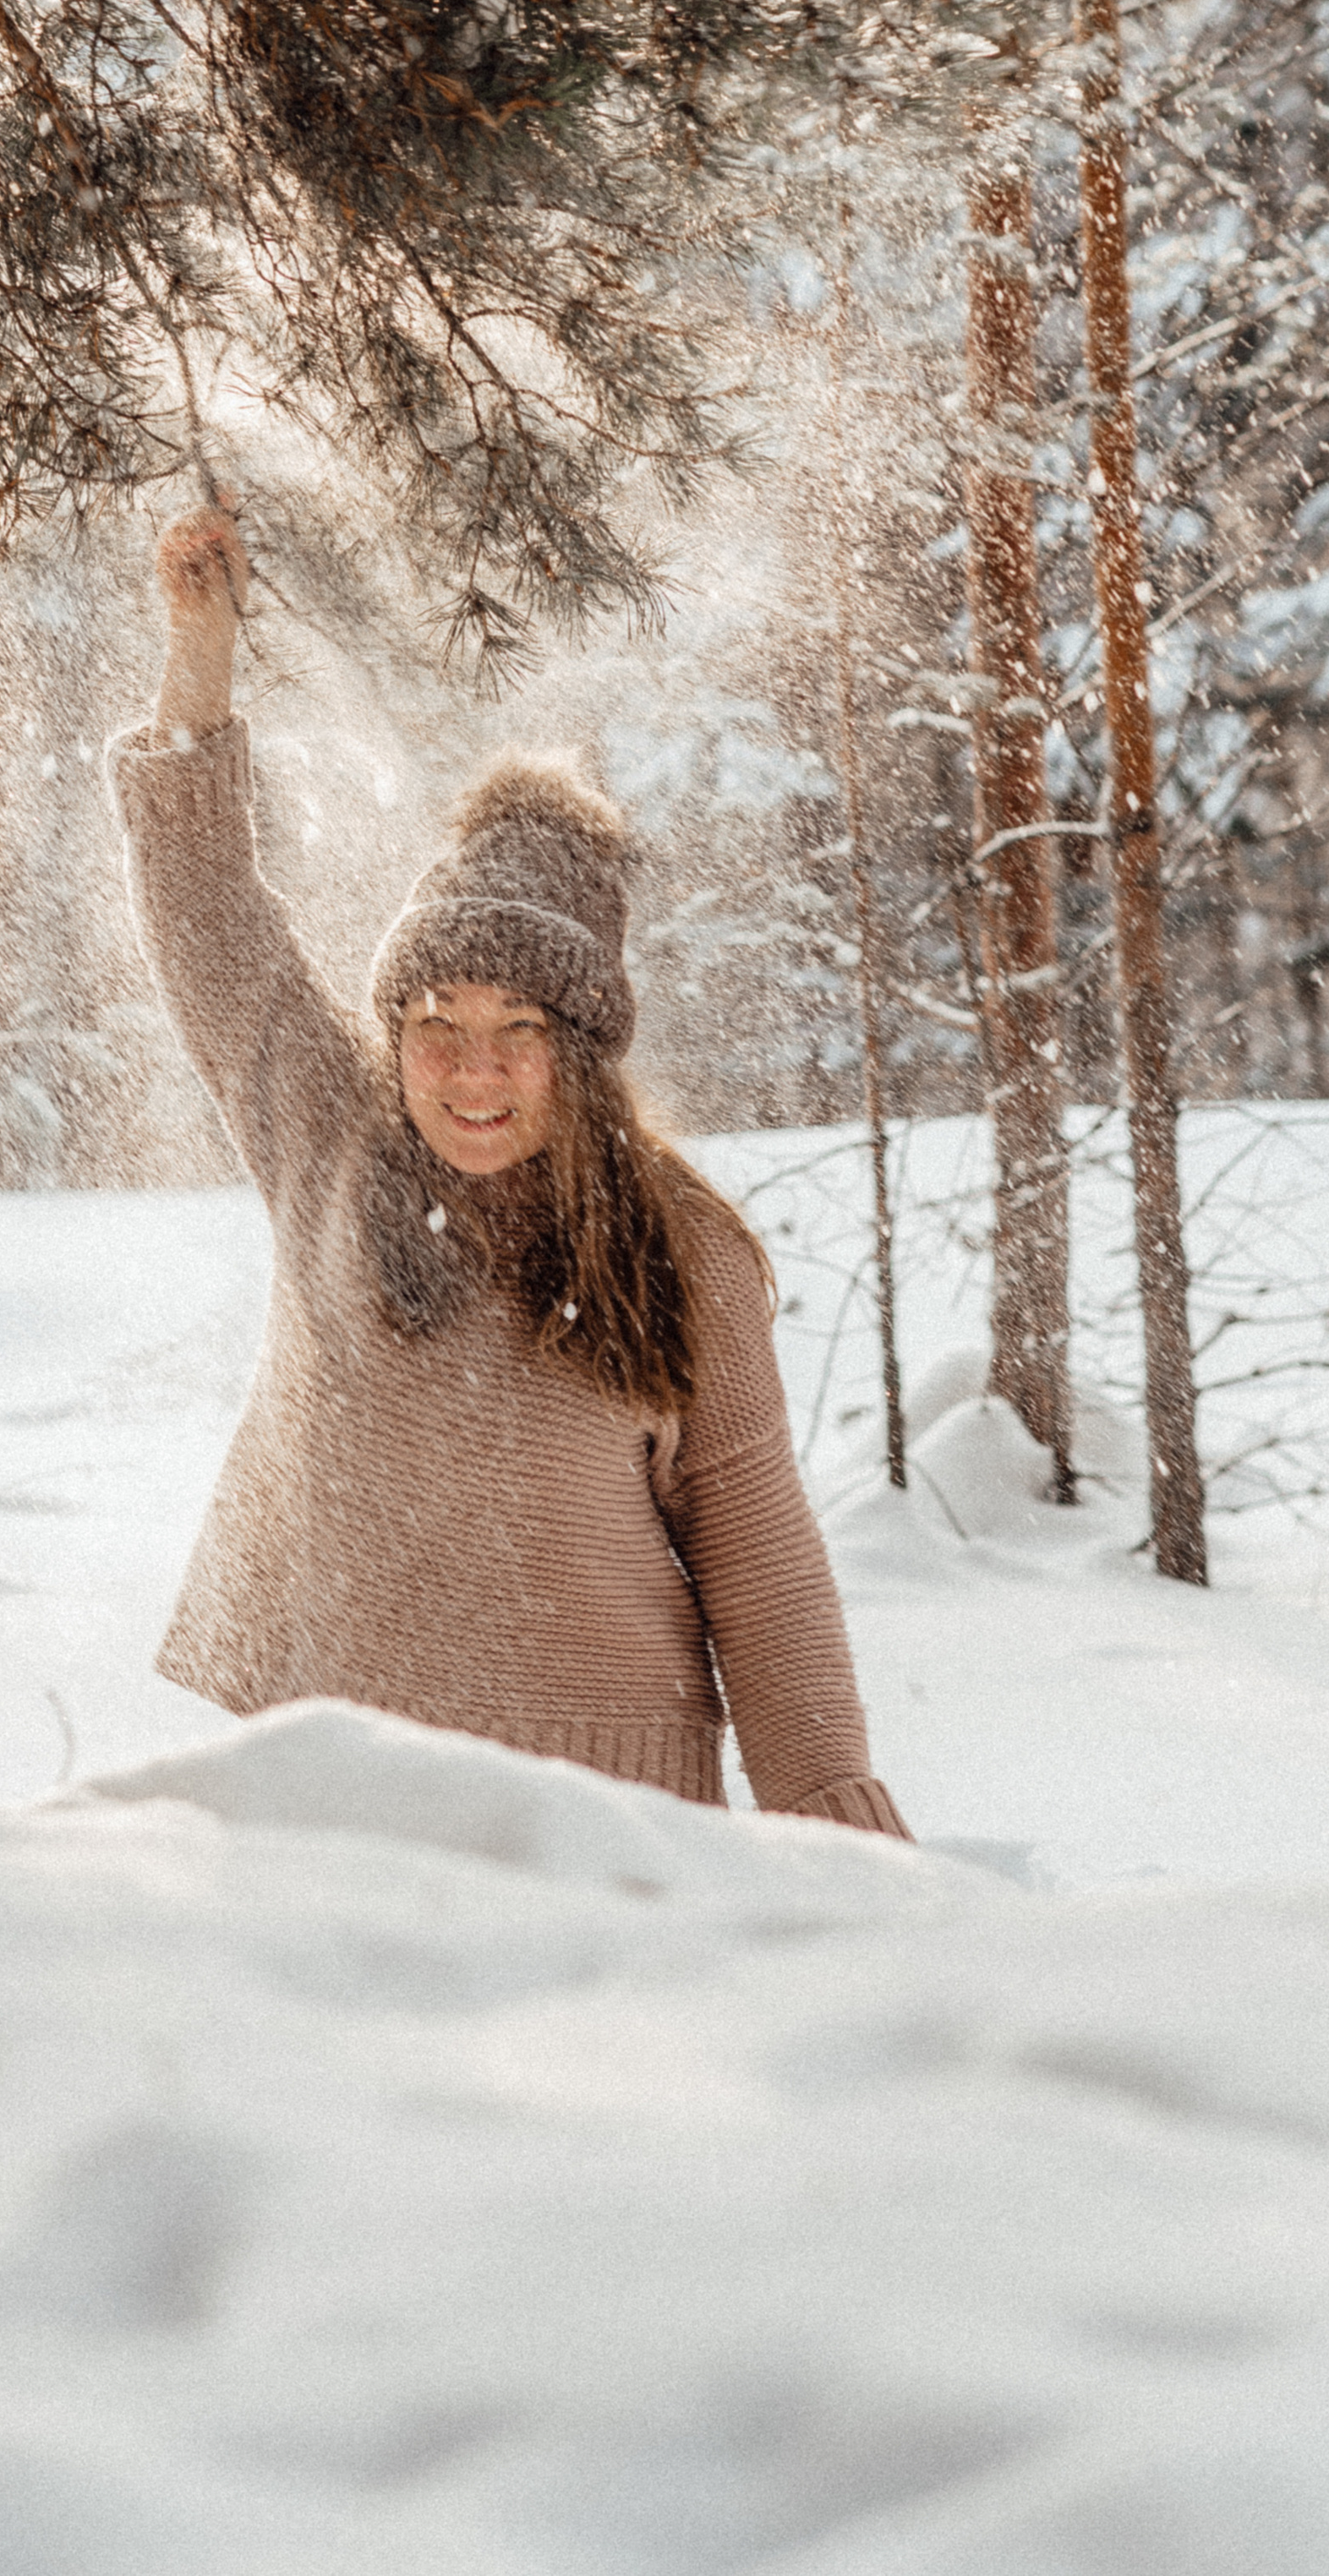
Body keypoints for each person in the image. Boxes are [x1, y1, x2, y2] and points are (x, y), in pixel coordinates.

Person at [107, 502, 911, 1838]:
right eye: (439, 1025)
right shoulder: (335, 1145)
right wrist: (199, 661)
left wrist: (843, 1835)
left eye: (518, 1032)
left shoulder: (682, 1251)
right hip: (333, 1795)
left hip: (600, 1825)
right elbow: (207, 909)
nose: (471, 1072)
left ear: (581, 1049)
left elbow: (763, 1578)